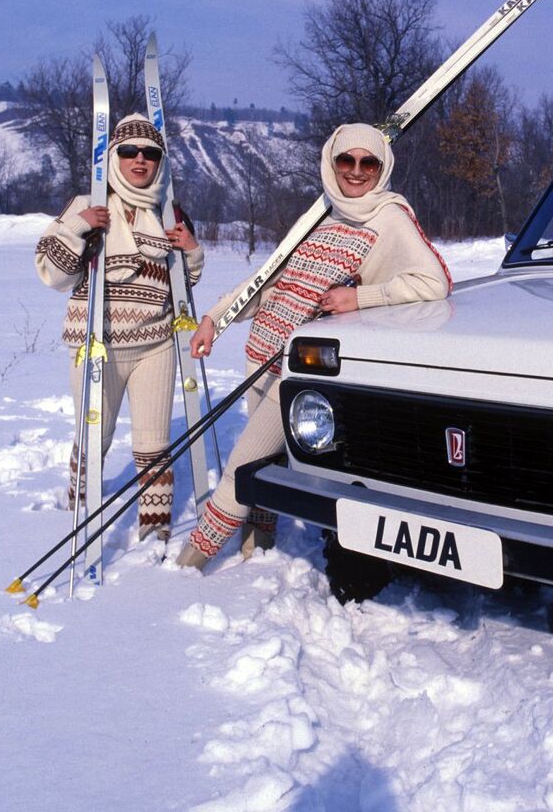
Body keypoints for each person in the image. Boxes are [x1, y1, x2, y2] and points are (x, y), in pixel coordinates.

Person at [176, 122, 452, 571]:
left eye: (368, 162)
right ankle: (259, 537)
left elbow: (434, 281)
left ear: (382, 168)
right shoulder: (323, 211)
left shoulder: (389, 216)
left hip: (301, 369)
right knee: (267, 463)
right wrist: (214, 319)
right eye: (346, 160)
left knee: (242, 463)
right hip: (260, 352)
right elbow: (270, 280)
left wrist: (361, 298)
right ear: (332, 163)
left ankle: (192, 560)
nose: (356, 171)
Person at [35, 114, 204, 543]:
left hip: (156, 346)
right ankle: (79, 498)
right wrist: (80, 227)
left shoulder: (169, 210)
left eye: (150, 153)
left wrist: (192, 251)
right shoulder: (84, 204)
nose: (140, 160)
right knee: (97, 434)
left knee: (153, 440)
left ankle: (155, 527)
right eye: (129, 152)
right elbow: (52, 275)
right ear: (114, 157)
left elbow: (185, 286)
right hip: (98, 345)